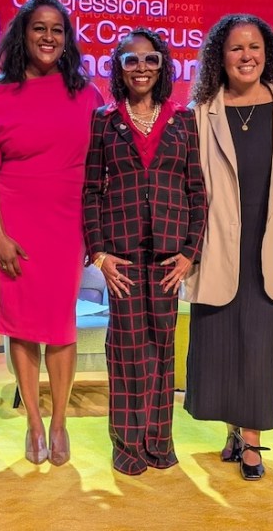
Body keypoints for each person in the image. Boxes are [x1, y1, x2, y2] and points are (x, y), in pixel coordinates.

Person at [0, 0, 102, 466]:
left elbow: (100, 167)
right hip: (15, 225)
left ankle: (61, 420)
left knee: (61, 327)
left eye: (57, 30)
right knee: (23, 328)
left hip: (68, 225)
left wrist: (96, 231)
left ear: (66, 40)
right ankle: (32, 422)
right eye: (39, 28)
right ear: (22, 35)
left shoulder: (88, 95)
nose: (48, 37)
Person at [82, 28, 207, 475]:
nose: (141, 68)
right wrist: (98, 253)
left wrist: (191, 253)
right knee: (127, 350)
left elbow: (197, 191)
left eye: (150, 60)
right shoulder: (103, 120)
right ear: (117, 66)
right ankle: (127, 444)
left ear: (163, 66)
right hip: (123, 258)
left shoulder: (183, 120)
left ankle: (159, 442)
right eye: (131, 60)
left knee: (161, 348)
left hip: (170, 256)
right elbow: (92, 191)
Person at [183, 14, 273, 481]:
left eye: (254, 47)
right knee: (220, 348)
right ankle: (233, 430)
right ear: (220, 56)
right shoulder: (200, 111)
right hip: (217, 247)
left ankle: (251, 442)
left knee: (257, 348)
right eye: (236, 48)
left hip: (268, 247)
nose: (246, 56)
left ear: (267, 53)